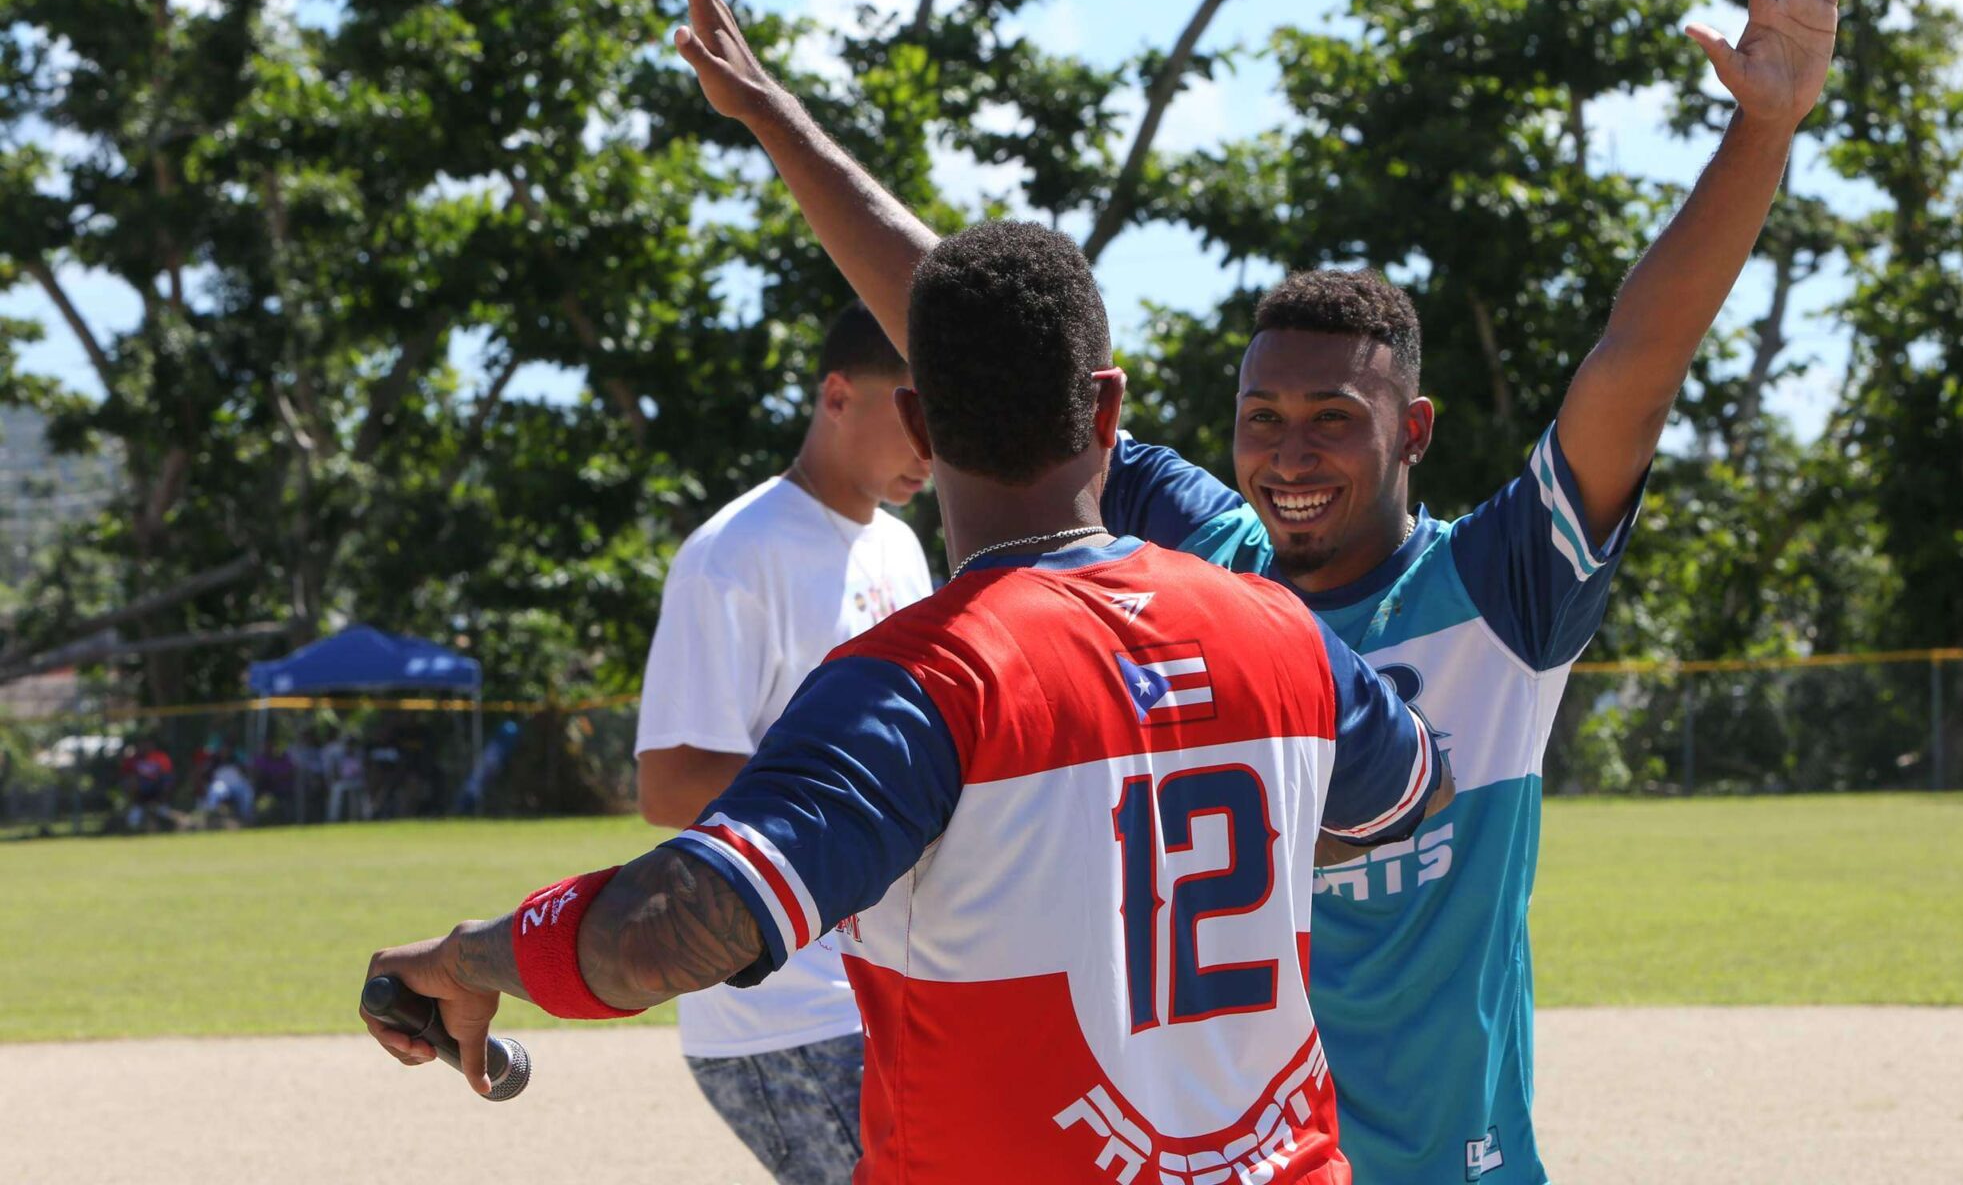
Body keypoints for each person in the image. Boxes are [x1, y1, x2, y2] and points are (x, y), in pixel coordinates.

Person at [638, 0, 1850, 1182]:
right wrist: (774, 117)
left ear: (1415, 432)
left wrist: (1759, 135)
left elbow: (1635, 356)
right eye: (1261, 415)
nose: (1288, 451)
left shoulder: (1498, 592)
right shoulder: (1209, 557)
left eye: (1334, 418)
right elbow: (972, 326)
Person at [362, 222, 1451, 1183]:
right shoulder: (1282, 631)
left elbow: (664, 935)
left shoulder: (918, 680)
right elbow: (1407, 791)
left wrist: (469, 957)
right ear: (1108, 406)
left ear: (920, 426)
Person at [633, 300, 934, 1185]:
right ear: (837, 395)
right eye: (913, 408)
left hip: (887, 983)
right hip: (783, 1000)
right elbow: (672, 779)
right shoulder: (735, 553)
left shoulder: (902, 547)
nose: (933, 441)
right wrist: (872, 803)